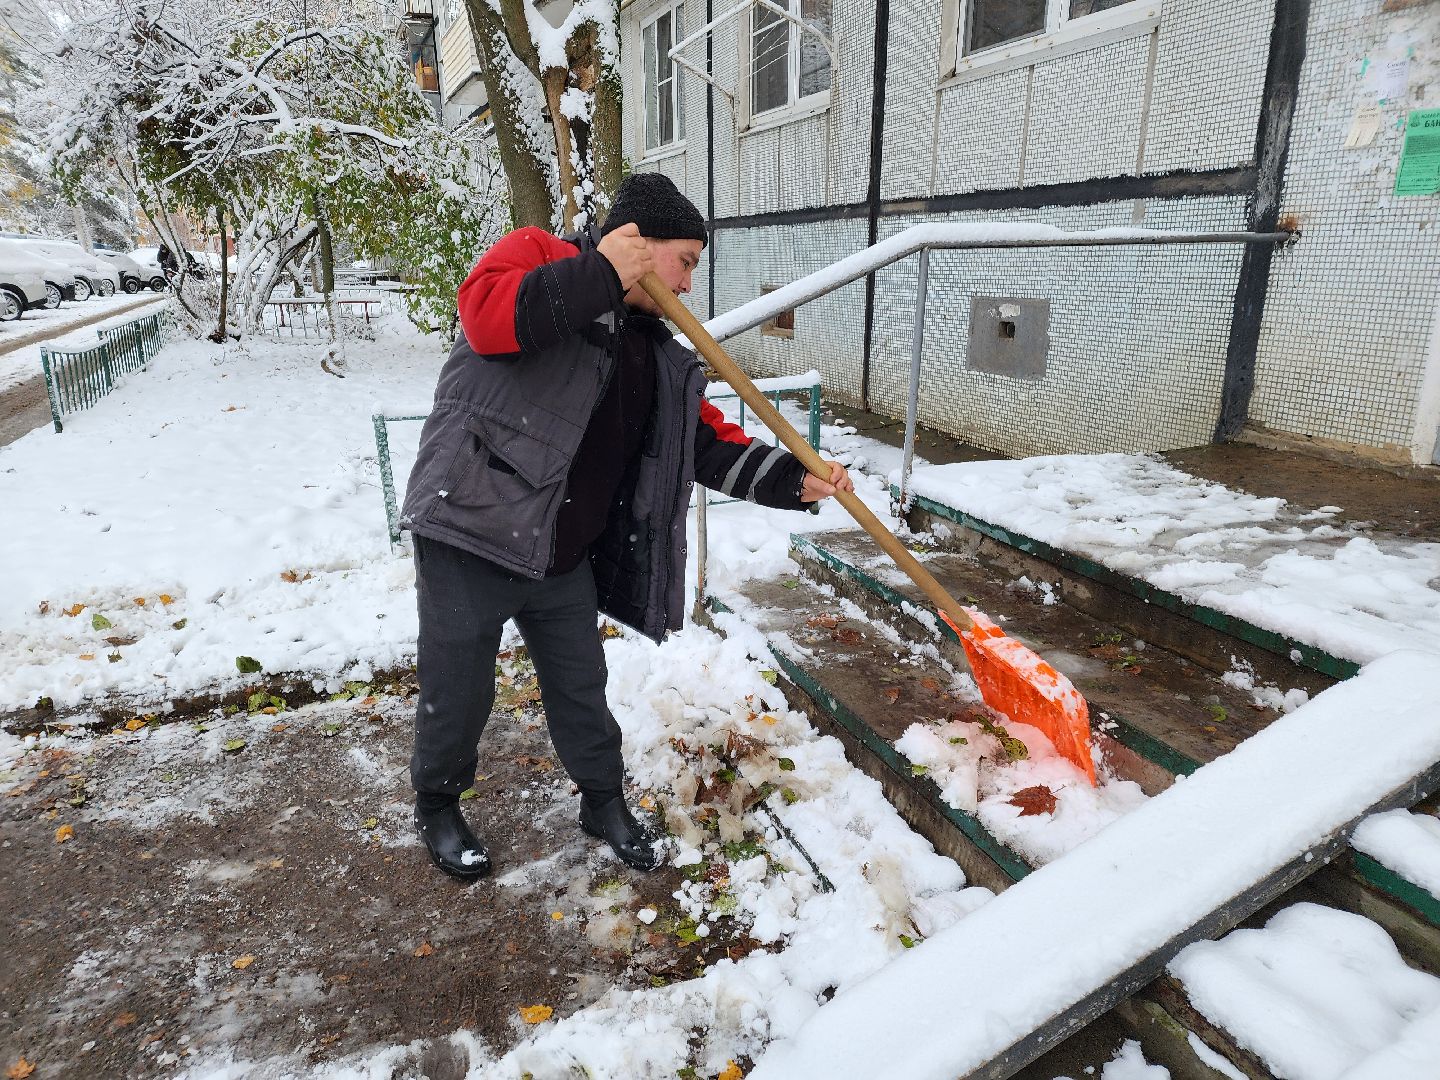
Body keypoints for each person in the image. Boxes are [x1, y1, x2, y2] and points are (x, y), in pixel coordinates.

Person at [400, 172, 853, 882]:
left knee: (582, 687)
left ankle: (602, 800)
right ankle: (438, 803)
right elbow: (485, 316)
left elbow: (705, 444)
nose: (689, 285)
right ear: (637, 243)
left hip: (560, 556)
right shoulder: (541, 257)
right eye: (686, 262)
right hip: (472, 530)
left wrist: (797, 480)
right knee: (458, 688)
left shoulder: (657, 355)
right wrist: (602, 274)